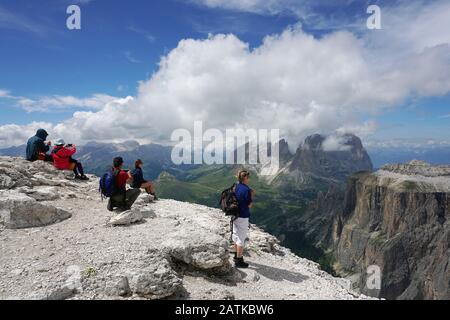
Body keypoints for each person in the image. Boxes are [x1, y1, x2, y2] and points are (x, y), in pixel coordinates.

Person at [232, 169, 254, 269]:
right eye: (248, 177)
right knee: (241, 238)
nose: (249, 179)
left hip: (234, 214)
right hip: (243, 216)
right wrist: (252, 196)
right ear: (245, 178)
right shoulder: (247, 190)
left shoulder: (235, 186)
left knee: (235, 236)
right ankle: (239, 260)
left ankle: (235, 256)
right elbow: (249, 205)